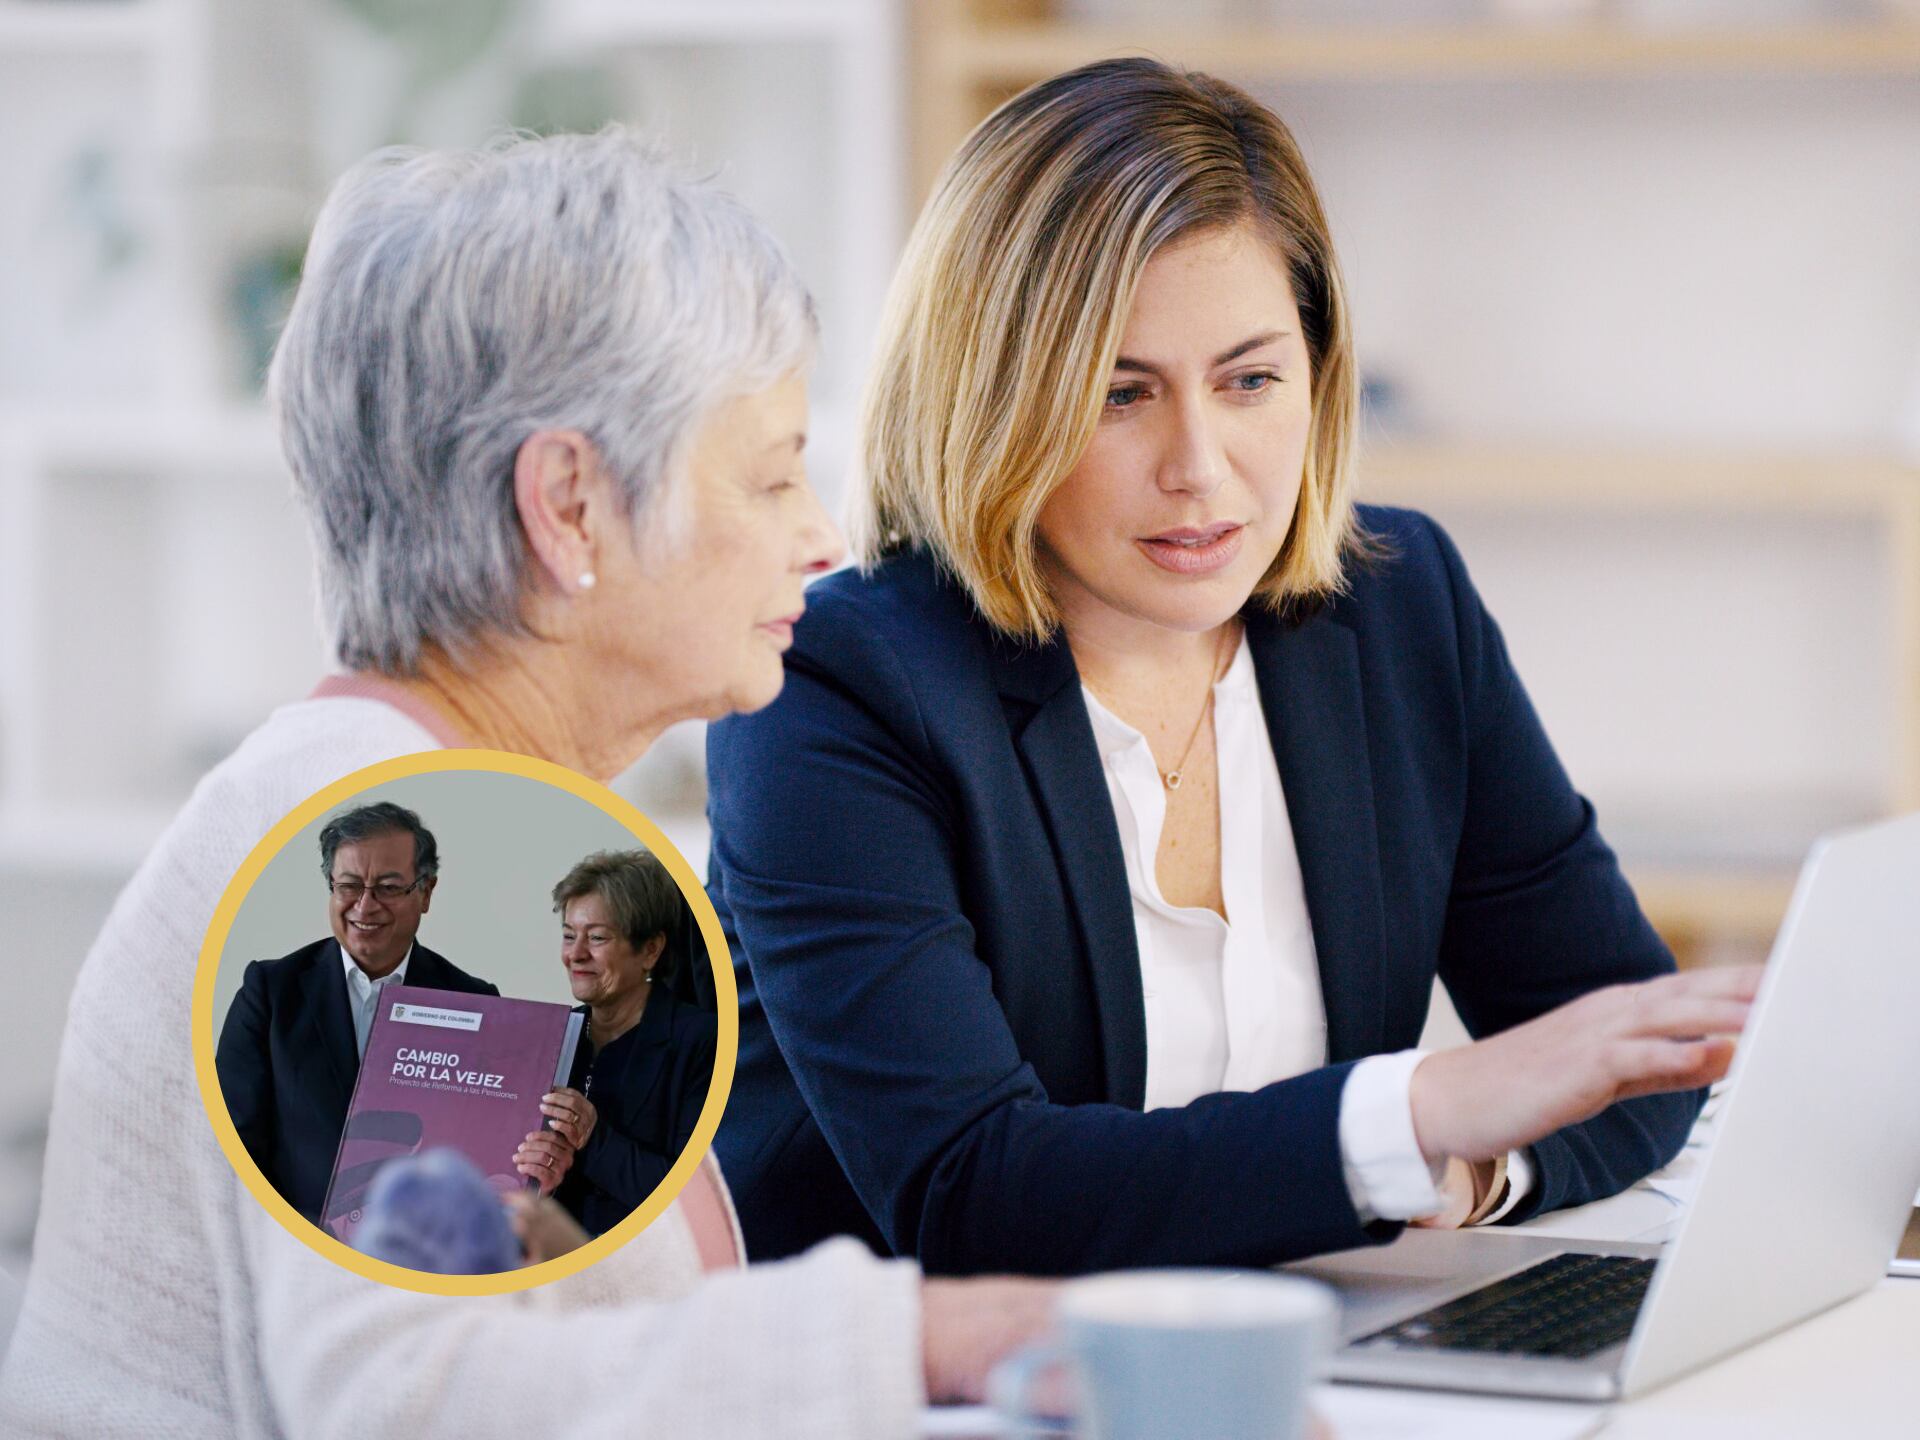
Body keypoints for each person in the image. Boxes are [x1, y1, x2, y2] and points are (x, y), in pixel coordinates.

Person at [0, 128, 1051, 1440]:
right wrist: (928, 1336)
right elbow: (411, 1395)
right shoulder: (428, 858)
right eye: (774, 472)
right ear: (567, 506)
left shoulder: (389, 807)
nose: (821, 533)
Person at [706, 58, 1760, 1276]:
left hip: (1314, 1349)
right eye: (1118, 395)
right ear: (993, 400)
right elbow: (973, 1192)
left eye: (1250, 380)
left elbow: (1629, 1051)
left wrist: (1475, 1176)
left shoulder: (1402, 606)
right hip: (949, 1389)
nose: (1200, 465)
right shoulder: (836, 686)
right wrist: (1412, 1117)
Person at [215, 800, 576, 1226]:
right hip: (296, 1254)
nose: (365, 907)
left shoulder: (475, 1002)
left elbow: (489, 1151)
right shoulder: (271, 993)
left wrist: (534, 1176)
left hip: (426, 1252)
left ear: (425, 892)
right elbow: (227, 1150)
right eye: (348, 886)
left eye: (388, 887)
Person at [543, 849, 719, 1237]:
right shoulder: (551, 1035)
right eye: (569, 936)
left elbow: (698, 1201)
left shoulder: (701, 1042)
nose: (576, 954)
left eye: (598, 938)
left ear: (650, 950)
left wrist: (593, 1137)